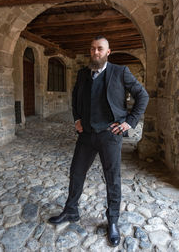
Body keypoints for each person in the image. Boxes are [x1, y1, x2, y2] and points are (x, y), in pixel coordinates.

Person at [48, 36, 149, 247]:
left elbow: (143, 96)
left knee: (113, 179)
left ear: (108, 52)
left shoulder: (121, 72)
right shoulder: (83, 74)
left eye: (100, 49)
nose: (95, 52)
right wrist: (77, 119)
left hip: (110, 135)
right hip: (86, 135)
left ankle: (112, 221)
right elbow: (76, 98)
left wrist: (129, 122)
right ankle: (71, 210)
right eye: (92, 49)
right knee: (76, 172)